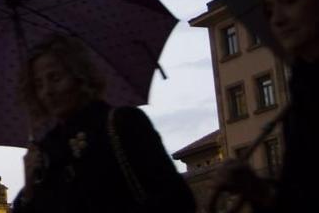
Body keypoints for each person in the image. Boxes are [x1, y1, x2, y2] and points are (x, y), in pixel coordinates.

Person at [212, 0, 319, 212]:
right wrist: (255, 189)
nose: (277, 20)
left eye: (290, 1)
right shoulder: (304, 90)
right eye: (269, 11)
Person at [12, 34, 195, 213]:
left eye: (55, 78)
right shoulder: (45, 152)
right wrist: (29, 190)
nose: (47, 91)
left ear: (79, 76)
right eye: (38, 84)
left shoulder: (123, 123)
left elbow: (177, 199)